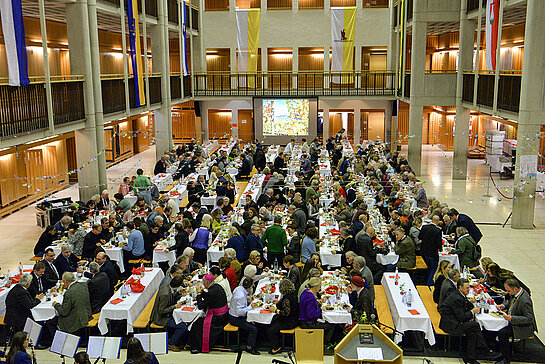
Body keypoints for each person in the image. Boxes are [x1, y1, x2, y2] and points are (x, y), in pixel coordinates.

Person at [439, 279, 501, 364]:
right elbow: (461, 317)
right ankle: (485, 351)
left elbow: (469, 305)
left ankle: (471, 357)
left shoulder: (460, 294)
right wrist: (472, 312)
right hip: (451, 325)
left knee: (472, 331)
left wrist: (470, 311)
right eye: (467, 288)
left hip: (454, 321)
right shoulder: (456, 298)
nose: (469, 290)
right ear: (460, 287)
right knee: (475, 325)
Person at [487, 278, 538, 364]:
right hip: (513, 320)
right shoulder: (516, 293)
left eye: (508, 290)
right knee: (495, 329)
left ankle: (506, 359)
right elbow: (511, 302)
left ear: (515, 288)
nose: (507, 292)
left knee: (502, 333)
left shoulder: (525, 301)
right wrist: (503, 305)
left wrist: (512, 318)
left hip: (522, 327)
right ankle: (500, 352)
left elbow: (529, 319)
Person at [189, 275, 229, 354]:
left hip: (217, 318)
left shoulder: (212, 292)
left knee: (196, 324)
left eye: (203, 282)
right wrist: (203, 293)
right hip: (223, 314)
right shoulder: (217, 286)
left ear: (206, 283)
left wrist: (199, 294)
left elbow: (201, 306)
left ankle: (196, 347)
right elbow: (209, 298)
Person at [150, 276, 186, 351]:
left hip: (166, 314)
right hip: (161, 318)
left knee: (182, 320)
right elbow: (161, 310)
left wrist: (178, 293)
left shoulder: (166, 286)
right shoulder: (165, 294)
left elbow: (170, 297)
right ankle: (171, 343)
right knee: (183, 326)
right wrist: (175, 306)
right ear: (178, 286)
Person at [267, 279, 299, 354]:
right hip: (294, 318)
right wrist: (279, 302)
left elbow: (286, 313)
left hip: (289, 321)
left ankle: (276, 347)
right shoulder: (293, 294)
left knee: (271, 330)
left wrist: (275, 310)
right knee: (273, 321)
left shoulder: (286, 298)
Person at [299, 277, 335, 343]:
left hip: (302, 319)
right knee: (331, 326)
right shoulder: (311, 297)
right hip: (308, 323)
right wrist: (321, 309)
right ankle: (324, 343)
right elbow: (311, 314)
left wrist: (317, 301)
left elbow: (307, 304)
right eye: (319, 286)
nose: (320, 288)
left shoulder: (305, 292)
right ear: (315, 286)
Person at [229, 278, 260, 355]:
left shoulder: (238, 289)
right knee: (253, 328)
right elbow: (240, 312)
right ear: (250, 287)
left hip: (232, 313)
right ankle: (250, 347)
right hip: (235, 318)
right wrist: (251, 307)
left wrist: (249, 299)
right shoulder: (241, 296)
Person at [419, 215, 443, 286]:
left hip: (423, 251)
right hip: (432, 253)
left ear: (431, 220)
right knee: (433, 269)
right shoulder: (438, 231)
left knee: (427, 267)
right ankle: (429, 284)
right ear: (438, 222)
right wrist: (441, 249)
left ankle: (424, 281)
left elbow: (419, 237)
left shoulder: (424, 227)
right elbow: (438, 243)